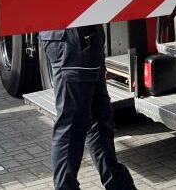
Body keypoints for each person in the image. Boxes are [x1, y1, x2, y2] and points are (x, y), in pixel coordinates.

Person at [40, 25, 138, 190]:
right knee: (72, 126)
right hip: (74, 36)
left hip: (82, 36)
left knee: (99, 119)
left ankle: (119, 185)